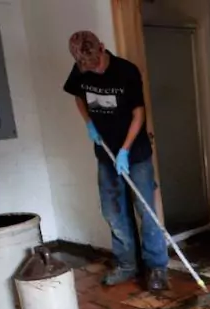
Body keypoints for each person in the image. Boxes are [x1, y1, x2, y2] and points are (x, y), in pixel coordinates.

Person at [63, 31, 169, 291]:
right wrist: (89, 124)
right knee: (113, 211)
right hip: (104, 153)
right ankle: (126, 265)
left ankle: (156, 267)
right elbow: (78, 96)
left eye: (96, 63)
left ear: (102, 47)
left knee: (145, 209)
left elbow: (138, 115)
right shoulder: (81, 69)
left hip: (135, 153)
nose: (95, 71)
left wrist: (124, 150)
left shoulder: (126, 72)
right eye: (88, 68)